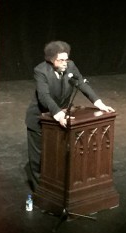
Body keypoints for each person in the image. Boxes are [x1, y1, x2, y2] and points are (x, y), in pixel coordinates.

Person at [25, 40, 114, 189]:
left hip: (62, 118)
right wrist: (59, 114)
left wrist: (99, 104)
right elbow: (44, 96)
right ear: (51, 60)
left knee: (58, 155)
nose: (65, 63)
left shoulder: (70, 66)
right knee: (39, 158)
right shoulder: (41, 71)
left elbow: (82, 84)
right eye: (61, 60)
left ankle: (57, 188)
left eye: (66, 59)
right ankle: (39, 191)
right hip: (40, 119)